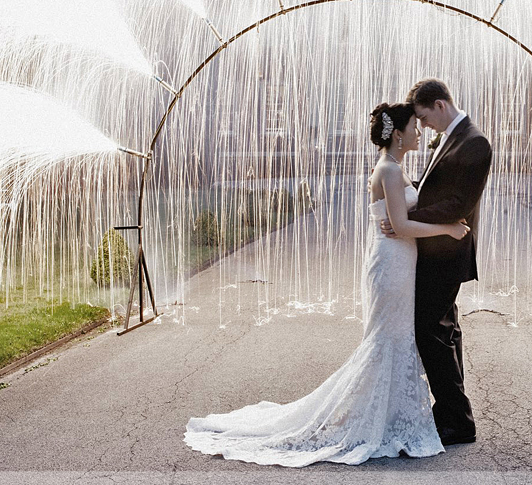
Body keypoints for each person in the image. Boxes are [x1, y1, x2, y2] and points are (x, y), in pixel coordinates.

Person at [184, 102, 469, 467]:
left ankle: (389, 414)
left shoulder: (392, 167)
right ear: (398, 134)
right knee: (388, 339)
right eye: (415, 126)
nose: (419, 131)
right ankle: (381, 417)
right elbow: (400, 226)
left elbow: (400, 218)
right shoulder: (390, 170)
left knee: (394, 337)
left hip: (397, 260)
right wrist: (448, 228)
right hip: (392, 262)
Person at [381, 78, 492, 446]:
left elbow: (459, 204)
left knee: (430, 330)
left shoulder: (475, 143)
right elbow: (435, 189)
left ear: (440, 106)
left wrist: (407, 221)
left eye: (425, 118)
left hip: (447, 252)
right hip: (436, 250)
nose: (423, 126)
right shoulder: (451, 136)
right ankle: (451, 412)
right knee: (445, 330)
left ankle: (458, 419)